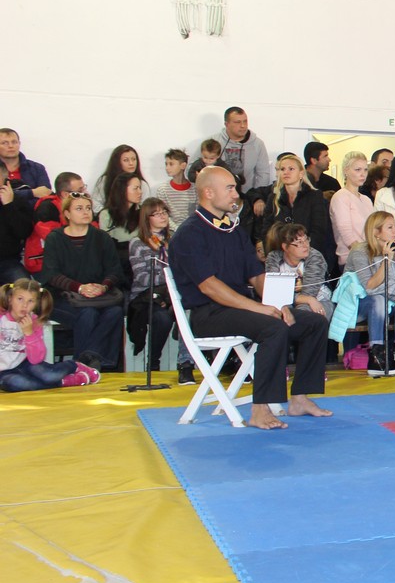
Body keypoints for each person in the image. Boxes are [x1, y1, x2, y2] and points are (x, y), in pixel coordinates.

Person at [168, 167, 330, 429]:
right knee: (273, 327)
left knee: (314, 323)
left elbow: (256, 276)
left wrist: (279, 304)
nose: (236, 194)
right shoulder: (189, 233)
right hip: (209, 314)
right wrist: (259, 308)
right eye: (229, 188)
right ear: (208, 192)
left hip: (241, 310)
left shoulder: (233, 230)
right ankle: (260, 408)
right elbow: (209, 287)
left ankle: (300, 398)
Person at [38, 192, 125, 371]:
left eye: (88, 208)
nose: (86, 212)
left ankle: (90, 360)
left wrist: (103, 286)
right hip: (62, 297)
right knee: (88, 313)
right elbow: (51, 274)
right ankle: (85, 365)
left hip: (99, 296)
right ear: (67, 214)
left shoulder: (102, 237)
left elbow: (114, 270)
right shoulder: (55, 238)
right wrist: (79, 287)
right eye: (79, 208)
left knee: (115, 312)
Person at [126, 198, 197, 383]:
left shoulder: (174, 240)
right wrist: (170, 276)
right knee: (162, 318)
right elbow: (143, 277)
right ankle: (153, 361)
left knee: (189, 312)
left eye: (164, 212)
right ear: (146, 218)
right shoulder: (138, 243)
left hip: (174, 294)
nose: (162, 216)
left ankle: (185, 364)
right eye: (156, 214)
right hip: (147, 296)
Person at [346, 211, 395, 376]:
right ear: (376, 232)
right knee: (378, 299)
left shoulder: (391, 249)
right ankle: (376, 355)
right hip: (359, 302)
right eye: (390, 227)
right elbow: (369, 286)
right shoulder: (359, 251)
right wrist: (386, 260)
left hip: (386, 298)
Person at [0, 279, 99, 391]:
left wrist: (29, 334)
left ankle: (75, 365)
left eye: (30, 301)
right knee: (17, 384)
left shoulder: (34, 322)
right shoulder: (2, 318)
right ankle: (64, 382)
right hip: (4, 372)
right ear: (10, 299)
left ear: (36, 303)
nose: (24, 305)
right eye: (20, 299)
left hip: (26, 364)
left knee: (49, 375)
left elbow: (36, 359)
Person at [254, 153, 337, 271]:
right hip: (280, 259)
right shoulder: (273, 198)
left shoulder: (314, 196)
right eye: (282, 169)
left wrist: (303, 253)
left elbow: (319, 230)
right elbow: (266, 231)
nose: (286, 172)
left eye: (291, 169)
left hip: (309, 258)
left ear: (301, 173)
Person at [263, 222, 334, 332]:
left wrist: (308, 299)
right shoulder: (274, 258)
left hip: (319, 300)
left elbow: (309, 293)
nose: (306, 245)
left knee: (304, 317)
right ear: (285, 247)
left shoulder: (315, 257)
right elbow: (275, 294)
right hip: (293, 302)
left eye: (306, 240)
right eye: (299, 242)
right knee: (275, 314)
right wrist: (307, 300)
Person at [330, 151, 374, 270]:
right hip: (351, 259)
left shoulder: (366, 199)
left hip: (370, 257)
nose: (363, 174)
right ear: (346, 171)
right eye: (358, 170)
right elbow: (346, 234)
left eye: (365, 170)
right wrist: (363, 256)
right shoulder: (341, 197)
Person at [217, 107, 274, 197]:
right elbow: (197, 168)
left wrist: (257, 197)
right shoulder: (214, 142)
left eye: (245, 121)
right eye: (238, 122)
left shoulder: (257, 144)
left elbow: (263, 174)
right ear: (226, 124)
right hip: (218, 197)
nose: (243, 126)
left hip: (247, 197)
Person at [0, 128, 51, 208]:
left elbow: (46, 195)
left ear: (19, 144)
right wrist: (32, 192)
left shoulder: (37, 169)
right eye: (5, 143)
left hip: (32, 214)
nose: (11, 146)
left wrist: (11, 197)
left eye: (14, 142)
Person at [0, 171, 34, 285]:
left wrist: (8, 205)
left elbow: (24, 232)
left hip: (8, 261)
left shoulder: (17, 201)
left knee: (26, 288)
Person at [96, 145, 148, 212]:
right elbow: (96, 204)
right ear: (117, 162)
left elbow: (145, 208)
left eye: (134, 159)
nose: (131, 163)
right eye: (126, 160)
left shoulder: (142, 184)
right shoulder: (105, 180)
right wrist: (108, 215)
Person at [101, 172, 144, 246]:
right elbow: (105, 243)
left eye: (140, 188)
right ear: (122, 190)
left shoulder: (142, 211)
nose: (140, 192)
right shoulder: (106, 214)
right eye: (135, 188)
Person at [156, 149, 198, 224]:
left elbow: (198, 213)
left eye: (171, 164)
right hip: (171, 229)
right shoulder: (162, 190)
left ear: (183, 165)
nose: (167, 168)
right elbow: (163, 215)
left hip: (191, 227)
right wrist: (177, 229)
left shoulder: (195, 189)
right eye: (166, 164)